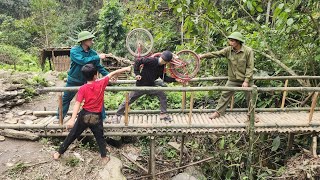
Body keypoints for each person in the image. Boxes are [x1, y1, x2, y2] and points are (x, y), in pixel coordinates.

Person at [53, 64, 132, 163]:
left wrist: (72, 119)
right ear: (95, 75)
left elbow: (77, 104)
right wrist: (126, 68)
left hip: (84, 115)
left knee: (72, 134)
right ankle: (104, 157)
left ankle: (58, 153)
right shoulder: (101, 83)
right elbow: (113, 73)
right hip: (96, 116)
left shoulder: (83, 88)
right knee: (99, 137)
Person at [56, 31, 110, 123]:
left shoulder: (92, 53)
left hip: (88, 80)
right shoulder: (74, 51)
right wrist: (97, 57)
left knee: (98, 98)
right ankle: (59, 117)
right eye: (90, 39)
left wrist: (108, 75)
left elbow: (98, 66)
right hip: (74, 79)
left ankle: (103, 117)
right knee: (66, 99)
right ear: (84, 40)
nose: (92, 41)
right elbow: (82, 61)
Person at [199, 32, 254, 119]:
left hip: (245, 79)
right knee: (225, 94)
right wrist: (203, 56)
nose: (230, 43)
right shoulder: (228, 50)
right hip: (233, 79)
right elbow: (216, 54)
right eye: (230, 41)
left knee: (250, 97)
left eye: (232, 41)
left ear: (238, 42)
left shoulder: (248, 51)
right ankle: (218, 112)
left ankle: (252, 115)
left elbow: (250, 67)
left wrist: (246, 81)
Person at [111, 51, 177, 123]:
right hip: (141, 85)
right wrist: (137, 74)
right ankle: (117, 115)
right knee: (129, 100)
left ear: (166, 62)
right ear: (161, 57)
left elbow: (163, 78)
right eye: (162, 59)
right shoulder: (151, 60)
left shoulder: (162, 67)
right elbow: (138, 61)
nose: (162, 61)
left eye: (164, 61)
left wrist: (175, 80)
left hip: (151, 86)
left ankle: (163, 114)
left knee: (162, 95)